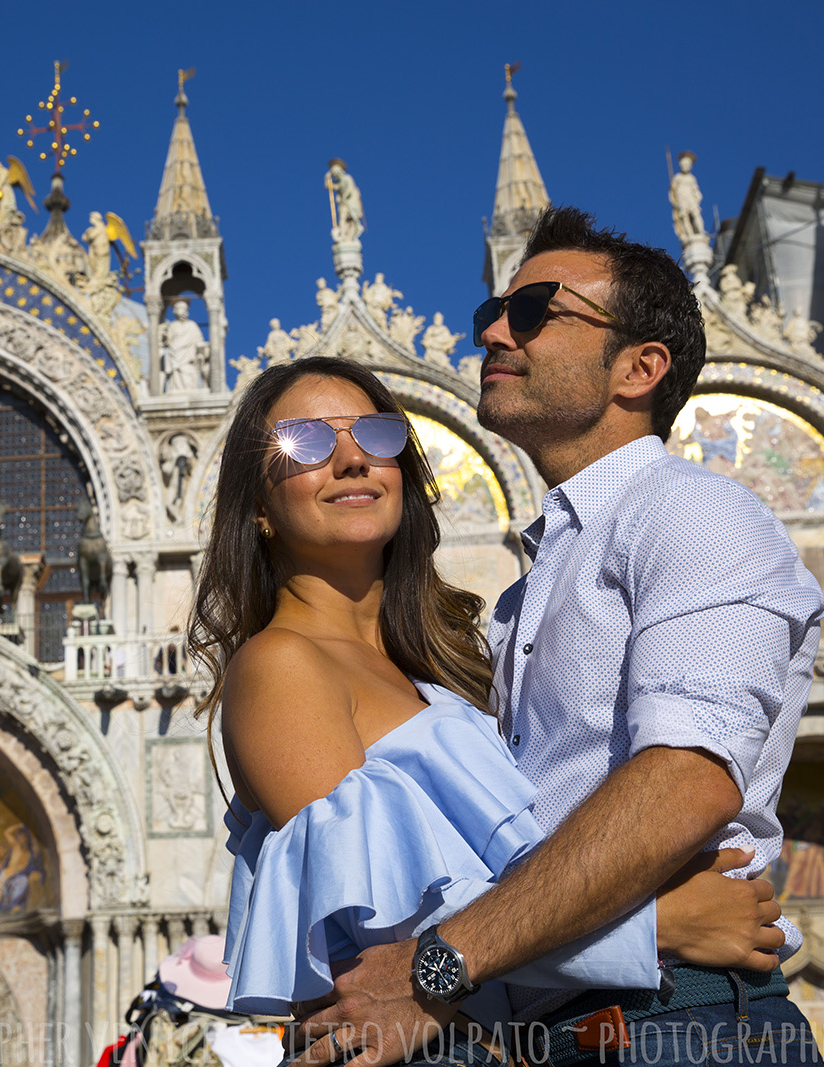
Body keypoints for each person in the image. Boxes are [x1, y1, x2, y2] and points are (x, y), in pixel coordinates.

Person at [295, 208, 824, 1067]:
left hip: (677, 1032)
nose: (495, 331)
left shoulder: (692, 511)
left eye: (538, 309)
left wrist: (440, 967)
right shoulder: (524, 597)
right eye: (491, 316)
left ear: (639, 368)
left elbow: (685, 782)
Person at [192, 355, 785, 1067]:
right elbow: (398, 943)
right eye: (305, 442)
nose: (351, 459)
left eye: (377, 436)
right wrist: (659, 923)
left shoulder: (434, 675)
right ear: (257, 505)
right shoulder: (278, 664)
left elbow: (480, 919)